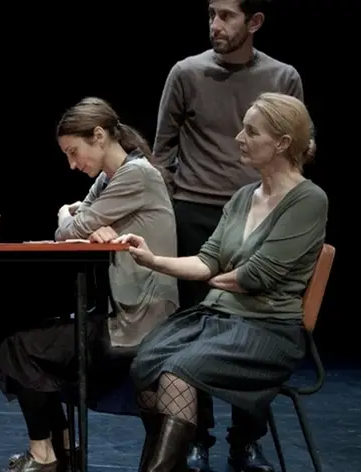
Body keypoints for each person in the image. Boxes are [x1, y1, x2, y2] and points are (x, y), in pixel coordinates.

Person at [117, 92, 326, 472]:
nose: (239, 138)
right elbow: (207, 259)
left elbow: (256, 277)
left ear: (282, 143)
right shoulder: (243, 197)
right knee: (145, 364)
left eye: (251, 131)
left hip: (267, 327)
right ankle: (175, 462)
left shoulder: (309, 200)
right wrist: (152, 259)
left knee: (178, 370)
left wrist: (219, 276)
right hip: (216, 318)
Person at [150, 1, 305, 469]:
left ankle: (247, 440)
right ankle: (196, 435)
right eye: (211, 14)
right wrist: (176, 204)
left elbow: (297, 148)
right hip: (197, 212)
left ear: (254, 22)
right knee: (198, 326)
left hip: (262, 213)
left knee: (250, 328)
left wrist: (281, 206)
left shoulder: (282, 77)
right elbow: (162, 150)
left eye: (227, 16)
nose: (215, 25)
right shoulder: (186, 72)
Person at [0, 97, 179, 472]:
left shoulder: (137, 175)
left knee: (21, 349)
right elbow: (80, 222)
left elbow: (70, 227)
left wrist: (68, 214)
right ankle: (58, 452)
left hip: (138, 324)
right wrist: (81, 220)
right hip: (114, 313)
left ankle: (46, 456)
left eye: (74, 152)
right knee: (28, 343)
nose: (72, 165)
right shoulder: (109, 180)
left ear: (99, 136)